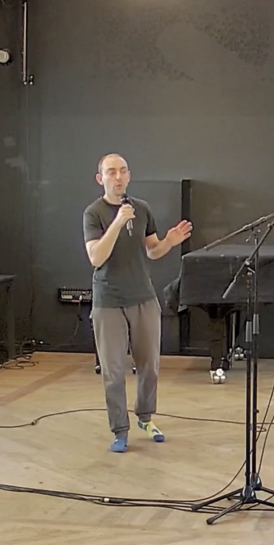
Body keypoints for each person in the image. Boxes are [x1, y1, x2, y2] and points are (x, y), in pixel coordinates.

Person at [83, 153, 192, 452]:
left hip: (143, 298)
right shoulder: (93, 214)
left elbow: (152, 251)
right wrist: (117, 223)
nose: (118, 177)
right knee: (114, 370)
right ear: (100, 178)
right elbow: (96, 257)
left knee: (150, 365)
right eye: (111, 172)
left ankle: (145, 417)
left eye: (122, 171)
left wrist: (168, 241)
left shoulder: (141, 209)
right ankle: (120, 430)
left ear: (129, 176)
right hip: (109, 301)